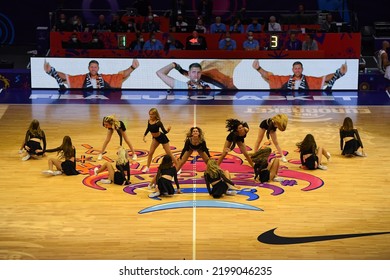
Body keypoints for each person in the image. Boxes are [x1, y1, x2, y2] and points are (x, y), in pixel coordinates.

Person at [252, 60, 348, 90]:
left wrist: (339, 72)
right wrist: (258, 69)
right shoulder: (286, 79)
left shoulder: (308, 80)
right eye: (295, 68)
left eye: (299, 68)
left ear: (302, 69)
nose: (297, 70)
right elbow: (269, 77)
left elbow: (325, 78)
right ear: (292, 70)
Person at [44, 58, 139, 89]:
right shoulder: (82, 78)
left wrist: (132, 67)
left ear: (98, 68)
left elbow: (120, 76)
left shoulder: (105, 78)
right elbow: (65, 77)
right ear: (88, 68)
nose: (93, 69)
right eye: (91, 67)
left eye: (95, 67)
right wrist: (51, 71)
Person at [142, 108, 178, 173]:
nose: (150, 116)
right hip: (156, 139)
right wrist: (144, 135)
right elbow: (148, 128)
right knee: (150, 153)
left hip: (162, 138)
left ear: (155, 115)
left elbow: (164, 132)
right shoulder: (149, 120)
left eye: (152, 114)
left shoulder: (158, 122)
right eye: (149, 114)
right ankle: (147, 167)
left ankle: (178, 167)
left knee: (169, 153)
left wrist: (168, 130)